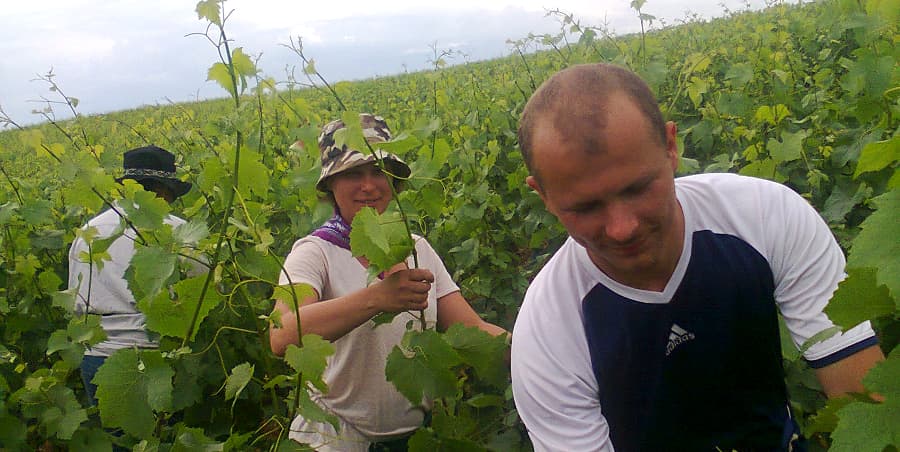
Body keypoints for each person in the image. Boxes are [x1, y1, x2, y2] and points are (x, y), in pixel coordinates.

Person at [509, 64, 885, 451]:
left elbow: (863, 400)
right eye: (586, 208)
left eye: (638, 188)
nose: (623, 228)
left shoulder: (764, 214)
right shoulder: (548, 331)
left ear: (671, 146)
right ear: (545, 197)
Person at [269, 113, 507, 451]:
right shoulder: (314, 253)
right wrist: (376, 299)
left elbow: (473, 329)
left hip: (416, 440)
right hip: (334, 438)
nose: (368, 185)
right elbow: (282, 335)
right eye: (352, 173)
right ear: (330, 186)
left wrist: (538, 354)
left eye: (379, 171)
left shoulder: (417, 248)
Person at [69, 145, 195, 405]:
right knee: (164, 442)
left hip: (97, 359)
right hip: (158, 357)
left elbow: (75, 303)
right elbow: (200, 292)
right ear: (162, 191)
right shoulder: (180, 232)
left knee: (120, 442)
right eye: (171, 196)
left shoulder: (87, 233)